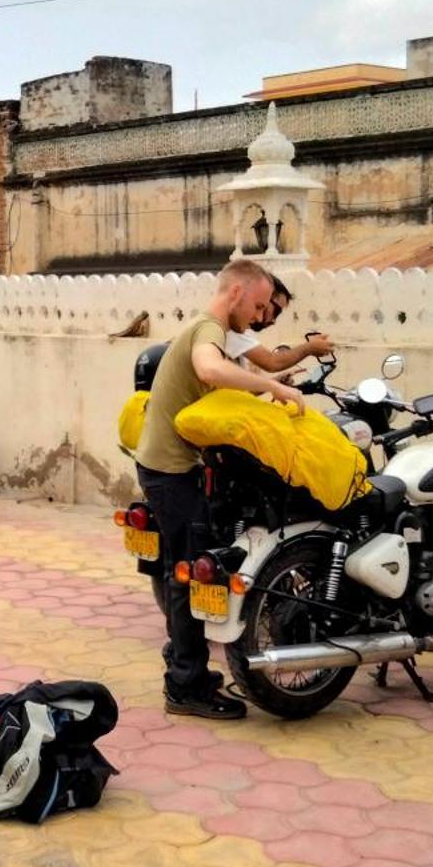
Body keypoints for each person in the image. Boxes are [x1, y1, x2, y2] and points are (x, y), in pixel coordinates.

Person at [134, 258, 305, 720]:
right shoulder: (208, 330)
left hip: (164, 467)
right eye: (257, 304)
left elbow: (218, 389)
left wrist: (268, 384)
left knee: (181, 571)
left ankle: (183, 668)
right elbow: (210, 370)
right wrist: (275, 386)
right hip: (172, 472)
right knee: (190, 576)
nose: (258, 314)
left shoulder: (209, 328)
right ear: (236, 294)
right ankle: (186, 687)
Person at [224, 277, 332, 376]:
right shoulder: (232, 328)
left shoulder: (242, 330)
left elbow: (242, 388)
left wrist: (275, 384)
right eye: (277, 311)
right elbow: (272, 362)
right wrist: (309, 348)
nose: (274, 321)